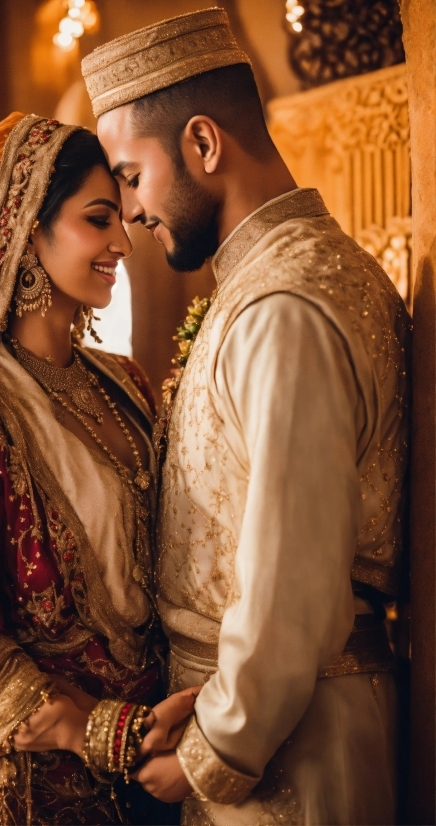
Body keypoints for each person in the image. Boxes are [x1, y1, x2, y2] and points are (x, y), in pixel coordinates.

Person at [81, 8, 411, 825]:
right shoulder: (263, 288)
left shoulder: (283, 306)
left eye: (129, 176)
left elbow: (292, 585)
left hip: (294, 741)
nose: (128, 214)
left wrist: (211, 750)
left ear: (202, 144)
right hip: (263, 717)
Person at [0, 113, 195, 826]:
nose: (122, 241)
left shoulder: (127, 386)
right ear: (26, 232)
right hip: (31, 792)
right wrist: (106, 731)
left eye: (120, 218)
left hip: (161, 769)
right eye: (96, 219)